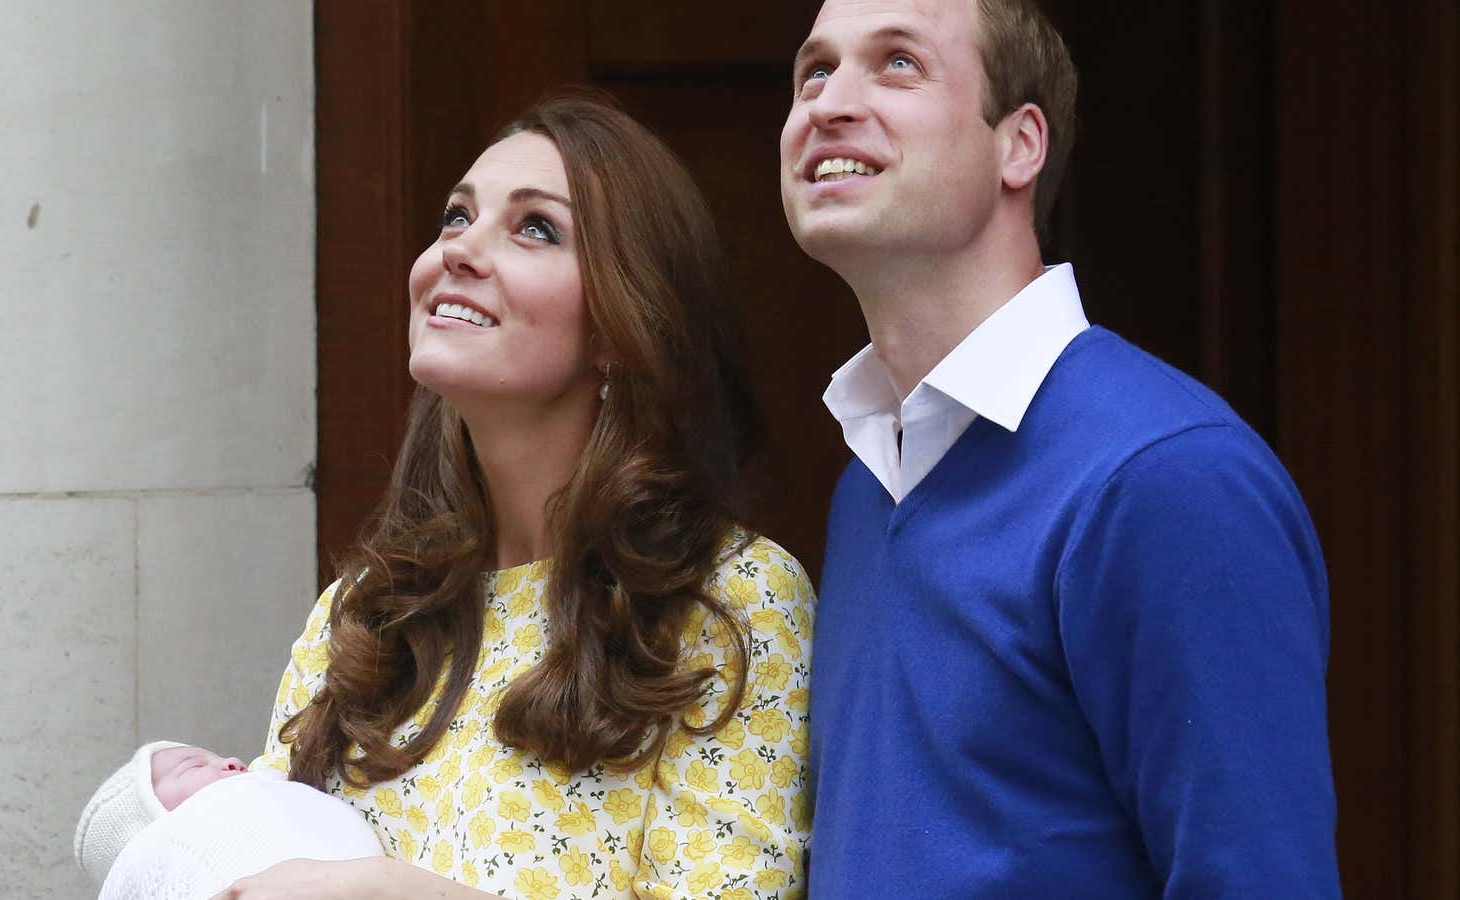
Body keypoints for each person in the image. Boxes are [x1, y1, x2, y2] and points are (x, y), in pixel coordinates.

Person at [779, 0, 1339, 897]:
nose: (828, 103)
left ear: (1020, 145)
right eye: (815, 71)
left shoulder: (1165, 476)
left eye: (898, 65)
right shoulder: (869, 483)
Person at [222, 94, 815, 899]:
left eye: (535, 227)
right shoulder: (362, 613)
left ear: (617, 326)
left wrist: (405, 895)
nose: (459, 250)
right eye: (455, 216)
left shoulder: (729, 603)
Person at [74, 742, 383, 899]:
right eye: (193, 766)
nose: (233, 762)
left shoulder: (274, 796)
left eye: (218, 757)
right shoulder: (184, 848)